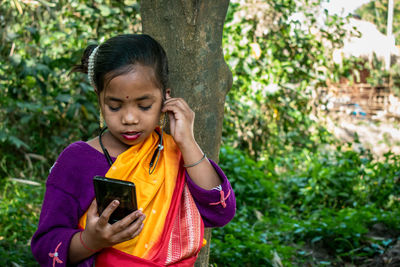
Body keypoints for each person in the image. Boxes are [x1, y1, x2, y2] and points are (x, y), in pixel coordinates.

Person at [31, 34, 236, 267]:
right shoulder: (77, 161)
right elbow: (45, 246)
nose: (129, 118)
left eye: (144, 105)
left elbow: (220, 212)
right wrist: (91, 241)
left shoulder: (174, 153)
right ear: (99, 98)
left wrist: (187, 142)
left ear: (165, 98)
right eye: (115, 106)